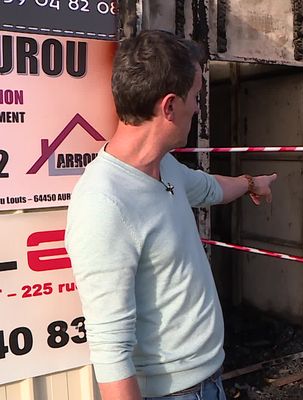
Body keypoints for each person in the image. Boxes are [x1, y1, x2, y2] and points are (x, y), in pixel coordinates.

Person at [65, 30, 276, 400]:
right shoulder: (104, 205)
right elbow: (110, 351)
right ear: (169, 106)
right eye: (194, 96)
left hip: (208, 380)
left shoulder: (167, 168)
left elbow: (210, 188)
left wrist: (250, 182)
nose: (197, 106)